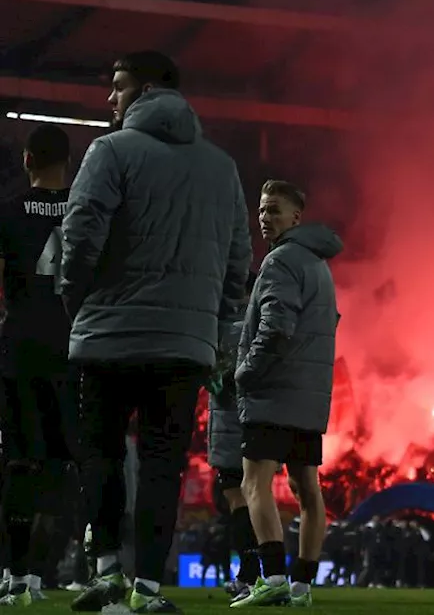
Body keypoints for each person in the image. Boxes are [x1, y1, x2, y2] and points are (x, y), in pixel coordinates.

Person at [63, 51, 251, 613]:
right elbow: (239, 260)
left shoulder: (110, 150)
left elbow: (81, 232)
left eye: (117, 86)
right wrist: (215, 331)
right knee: (163, 463)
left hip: (108, 335)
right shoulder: (222, 168)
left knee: (99, 454)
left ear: (144, 90)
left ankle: (106, 574)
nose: (109, 99)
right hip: (184, 346)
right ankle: (148, 587)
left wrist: (77, 301)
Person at [231, 180, 343, 609]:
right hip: (309, 398)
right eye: (261, 210)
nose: (264, 217)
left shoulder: (280, 262)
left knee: (253, 482)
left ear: (297, 217)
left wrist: (246, 372)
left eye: (274, 210)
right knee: (307, 489)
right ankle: (301, 586)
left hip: (273, 391)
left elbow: (276, 328)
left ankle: (274, 576)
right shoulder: (319, 266)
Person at [0, 125, 77, 606]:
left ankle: (17, 572)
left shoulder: (8, 211)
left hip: (22, 349)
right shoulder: (87, 211)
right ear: (68, 161)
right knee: (70, 464)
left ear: (28, 160)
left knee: (19, 462)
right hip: (76, 349)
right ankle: (74, 569)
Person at [206, 271, 259, 602]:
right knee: (253, 495)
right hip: (257, 419)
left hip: (230, 423)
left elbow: (217, 378)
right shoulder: (258, 323)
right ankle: (259, 573)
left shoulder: (224, 326)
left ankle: (249, 575)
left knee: (238, 497)